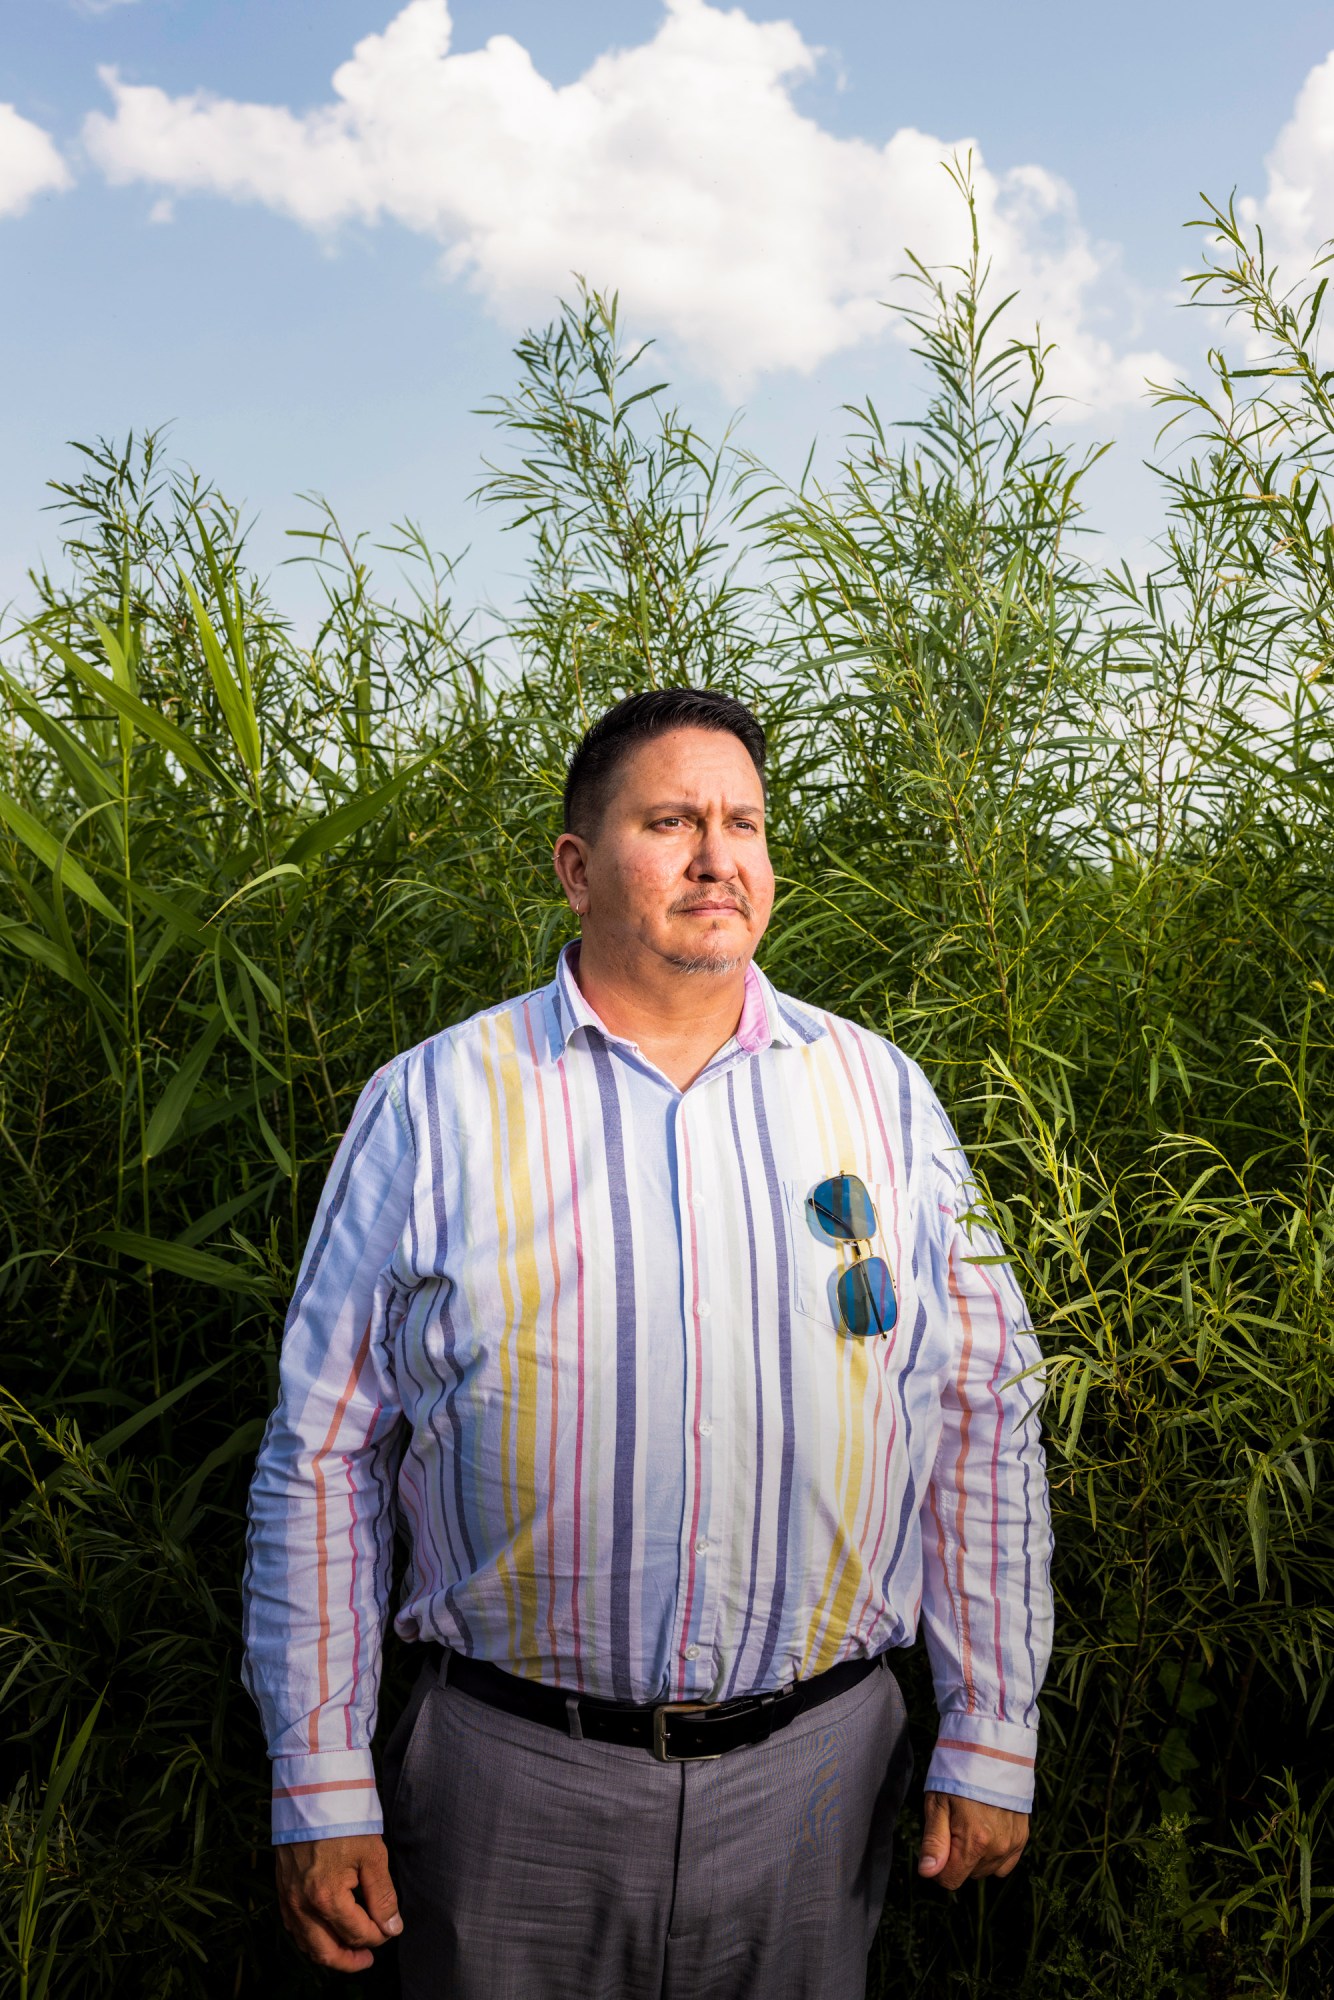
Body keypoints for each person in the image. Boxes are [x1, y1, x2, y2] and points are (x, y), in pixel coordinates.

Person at [242, 686, 1053, 1999]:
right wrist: (321, 1778)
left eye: (741, 822)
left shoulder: (876, 1094)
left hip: (819, 1783)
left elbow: (977, 1417)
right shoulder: (435, 1102)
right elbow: (321, 1454)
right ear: (575, 866)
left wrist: (992, 1726)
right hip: (508, 1786)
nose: (715, 856)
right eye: (668, 820)